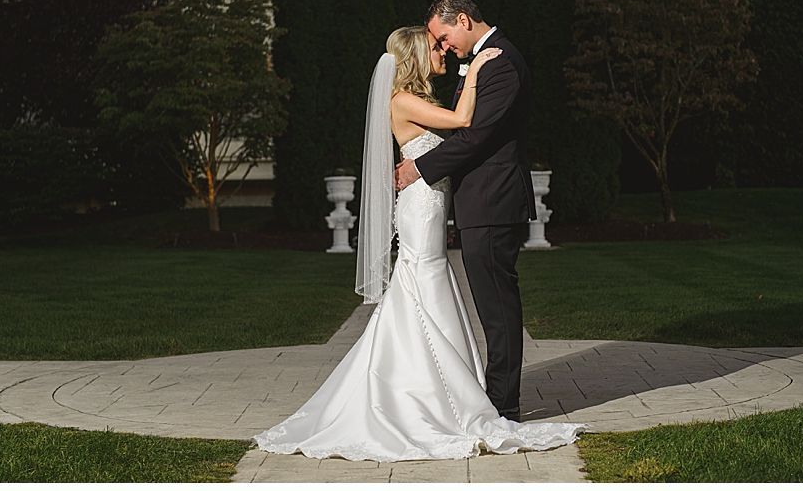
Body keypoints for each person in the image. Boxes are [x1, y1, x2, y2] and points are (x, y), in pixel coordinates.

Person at [250, 25, 584, 461]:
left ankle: (437, 393)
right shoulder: (404, 101)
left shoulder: (417, 100)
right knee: (422, 281)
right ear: (414, 57)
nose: (442, 50)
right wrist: (478, 69)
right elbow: (465, 123)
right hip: (422, 205)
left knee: (426, 284)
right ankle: (431, 398)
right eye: (434, 47)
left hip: (427, 203)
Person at [395, 0, 533, 423]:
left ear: (462, 19)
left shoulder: (500, 63)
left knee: (497, 307)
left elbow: (476, 136)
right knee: (491, 305)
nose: (443, 46)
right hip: (479, 203)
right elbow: (464, 129)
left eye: (443, 36)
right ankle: (489, 396)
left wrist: (421, 168)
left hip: (493, 201)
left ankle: (503, 404)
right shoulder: (483, 62)